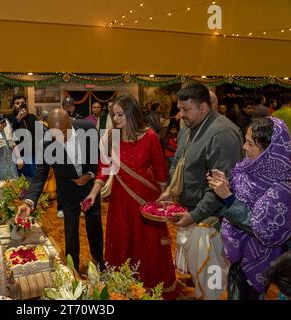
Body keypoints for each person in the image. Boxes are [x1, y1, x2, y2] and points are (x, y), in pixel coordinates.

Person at [84, 95, 177, 299]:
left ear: (132, 113)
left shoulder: (150, 136)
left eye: (120, 114)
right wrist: (92, 194)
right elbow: (103, 170)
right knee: (122, 246)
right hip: (120, 205)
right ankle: (122, 292)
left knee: (147, 248)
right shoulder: (111, 138)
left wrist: (164, 200)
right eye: (113, 114)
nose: (116, 119)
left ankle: (149, 291)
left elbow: (161, 173)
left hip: (146, 205)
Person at [157, 82, 244, 300]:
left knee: (212, 274)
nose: (180, 114)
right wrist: (170, 189)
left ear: (203, 108)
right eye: (180, 109)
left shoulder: (222, 134)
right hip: (190, 212)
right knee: (199, 270)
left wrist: (194, 216)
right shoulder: (188, 127)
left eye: (185, 109)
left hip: (211, 218)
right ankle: (199, 294)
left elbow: (219, 186)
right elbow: (179, 159)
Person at [207, 117, 291, 300]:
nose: (244, 147)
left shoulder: (284, 187)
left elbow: (262, 228)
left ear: (268, 150)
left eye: (250, 143)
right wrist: (227, 186)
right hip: (238, 255)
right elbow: (245, 200)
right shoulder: (250, 168)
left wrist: (228, 198)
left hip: (260, 258)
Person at [15, 109, 104, 271]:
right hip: (68, 191)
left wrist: (90, 174)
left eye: (63, 133)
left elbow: (97, 156)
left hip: (91, 189)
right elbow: (40, 176)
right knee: (70, 233)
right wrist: (28, 202)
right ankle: (73, 270)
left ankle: (100, 263)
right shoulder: (46, 144)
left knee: (95, 228)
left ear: (71, 122)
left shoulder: (88, 128)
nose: (60, 138)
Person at [7, 95, 40, 178]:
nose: (20, 105)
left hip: (33, 155)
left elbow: (39, 135)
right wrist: (17, 119)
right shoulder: (9, 118)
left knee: (34, 179)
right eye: (17, 103)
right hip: (19, 156)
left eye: (22, 103)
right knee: (20, 181)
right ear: (13, 105)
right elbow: (9, 134)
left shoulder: (32, 117)